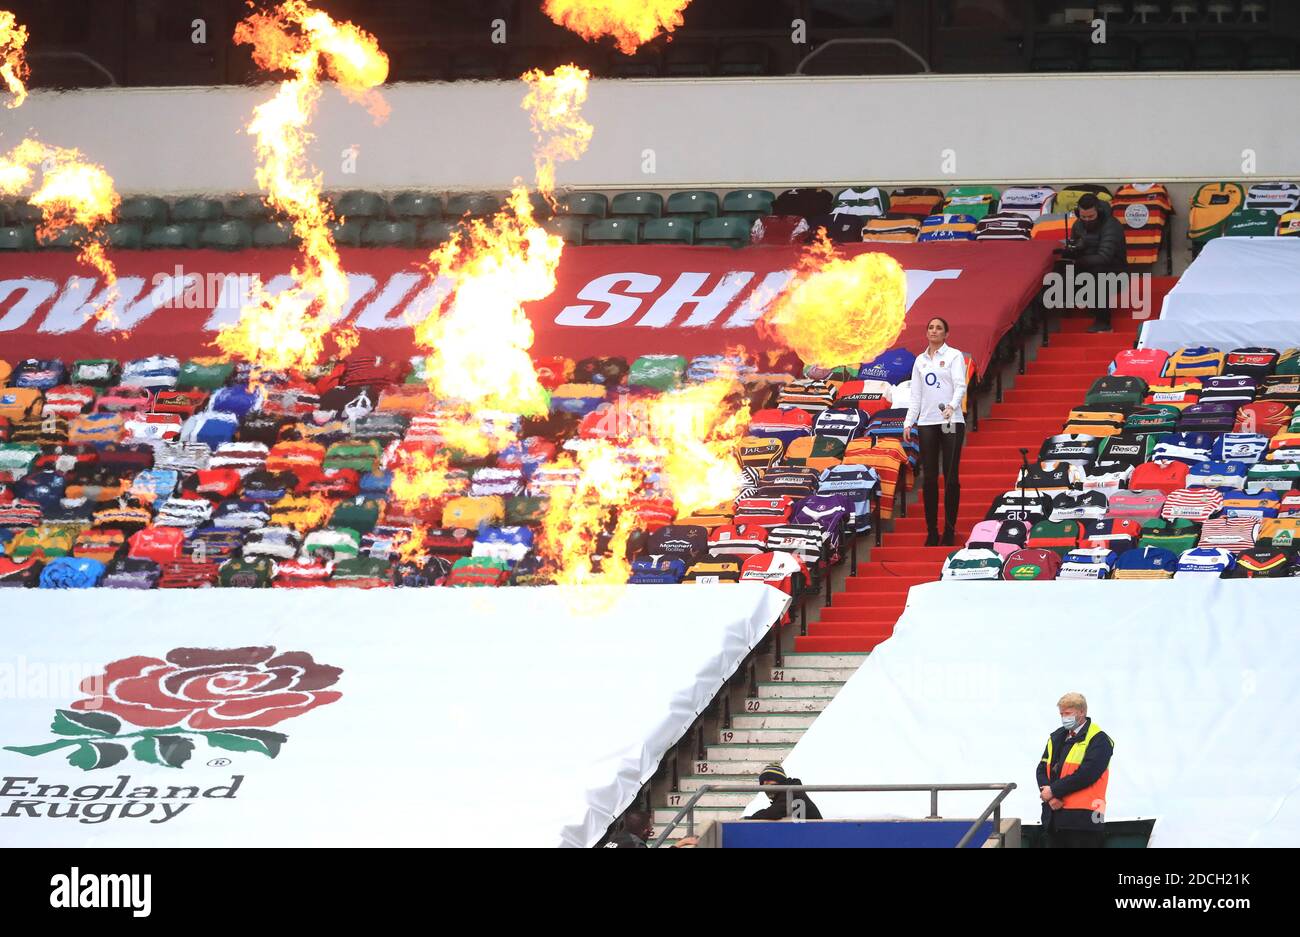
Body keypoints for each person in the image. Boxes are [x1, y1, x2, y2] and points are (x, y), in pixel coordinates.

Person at [902, 317, 968, 547]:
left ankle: (949, 529)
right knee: (929, 478)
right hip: (927, 421)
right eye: (930, 327)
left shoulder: (954, 355)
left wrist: (952, 405)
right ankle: (932, 530)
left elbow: (961, 384)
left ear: (946, 334)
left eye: (939, 328)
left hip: (951, 420)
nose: (934, 331)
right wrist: (908, 423)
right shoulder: (920, 360)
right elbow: (916, 396)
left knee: (950, 477)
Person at [1036, 692, 1114, 848]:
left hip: (1085, 820)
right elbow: (1042, 769)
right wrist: (1051, 797)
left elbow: (1087, 774)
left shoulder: (1099, 739)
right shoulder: (1057, 737)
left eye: (1068, 713)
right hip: (1054, 817)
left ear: (1082, 712)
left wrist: (1054, 791)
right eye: (1061, 714)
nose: (1064, 717)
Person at [1065, 193, 1128, 333]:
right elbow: (1076, 246)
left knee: (1097, 274)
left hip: (1115, 272)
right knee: (1062, 269)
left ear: (1098, 211)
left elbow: (1105, 257)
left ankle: (1104, 322)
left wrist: (1080, 261)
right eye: (1083, 217)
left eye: (1091, 217)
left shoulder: (1112, 225)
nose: (1087, 220)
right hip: (1088, 266)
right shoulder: (1078, 225)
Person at [743, 763, 822, 820]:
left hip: (817, 837)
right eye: (762, 782)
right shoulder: (785, 794)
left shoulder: (792, 792)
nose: (765, 784)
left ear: (779, 780)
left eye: (769, 779)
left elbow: (773, 813)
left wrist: (750, 819)